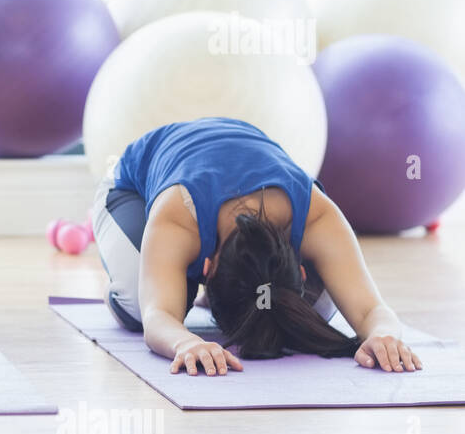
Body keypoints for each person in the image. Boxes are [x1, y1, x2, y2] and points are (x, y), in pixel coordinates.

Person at [90, 116, 422, 376]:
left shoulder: (318, 216)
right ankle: (154, 287)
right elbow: (157, 317)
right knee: (139, 302)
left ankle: (185, 285)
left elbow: (369, 310)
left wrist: (382, 335)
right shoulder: (178, 215)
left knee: (316, 308)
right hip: (130, 188)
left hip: (231, 160)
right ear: (207, 268)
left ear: (302, 268)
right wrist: (186, 342)